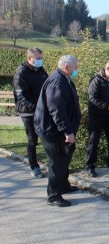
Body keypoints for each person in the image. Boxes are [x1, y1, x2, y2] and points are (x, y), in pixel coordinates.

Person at [34, 55, 81, 207]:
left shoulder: (64, 79)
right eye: (75, 67)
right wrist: (67, 132)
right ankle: (54, 196)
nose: (77, 70)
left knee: (65, 158)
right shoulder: (56, 82)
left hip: (60, 129)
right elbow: (56, 111)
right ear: (66, 67)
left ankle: (63, 185)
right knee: (56, 162)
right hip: (52, 131)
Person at [85, 60, 109, 177]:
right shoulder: (96, 80)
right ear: (107, 69)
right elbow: (92, 97)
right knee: (93, 141)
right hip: (97, 116)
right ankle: (90, 166)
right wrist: (107, 106)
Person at [13, 47, 48, 178]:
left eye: (41, 58)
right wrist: (35, 107)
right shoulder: (21, 73)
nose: (40, 60)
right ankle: (34, 166)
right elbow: (22, 96)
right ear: (30, 59)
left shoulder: (41, 70)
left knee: (47, 137)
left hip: (42, 110)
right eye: (38, 58)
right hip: (28, 112)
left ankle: (52, 163)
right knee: (32, 140)